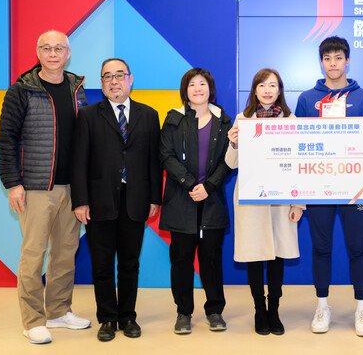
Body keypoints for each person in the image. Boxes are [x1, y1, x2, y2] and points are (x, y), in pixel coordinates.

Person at [0, 30, 90, 344]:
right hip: (36, 186)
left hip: (71, 187)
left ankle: (58, 311)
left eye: (59, 48)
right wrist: (13, 183)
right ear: (38, 52)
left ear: (67, 53)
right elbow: (7, 139)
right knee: (34, 254)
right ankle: (33, 319)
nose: (53, 53)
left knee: (66, 253)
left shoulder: (77, 88)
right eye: (47, 48)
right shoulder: (21, 90)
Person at [70, 58, 162, 341]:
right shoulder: (88, 116)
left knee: (130, 263)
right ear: (102, 82)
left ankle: (128, 317)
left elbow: (154, 161)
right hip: (98, 200)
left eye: (119, 75)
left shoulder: (148, 114)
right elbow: (79, 161)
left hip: (136, 199)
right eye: (107, 76)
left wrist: (154, 198)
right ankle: (107, 318)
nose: (113, 81)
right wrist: (80, 200)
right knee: (102, 263)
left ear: (130, 79)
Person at [295, 36, 363, 337]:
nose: (333, 64)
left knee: (357, 247)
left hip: (355, 187)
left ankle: (361, 308)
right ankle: (322, 304)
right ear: (321, 62)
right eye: (327, 58)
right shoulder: (306, 99)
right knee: (321, 247)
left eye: (338, 58)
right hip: (318, 186)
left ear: (347, 60)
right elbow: (297, 144)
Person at [225, 69, 305, 336]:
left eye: (273, 85)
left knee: (277, 256)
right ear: (255, 90)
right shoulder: (242, 119)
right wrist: (234, 144)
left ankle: (274, 310)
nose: (268, 90)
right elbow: (230, 164)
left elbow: (299, 165)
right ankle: (260, 310)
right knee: (255, 256)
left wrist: (298, 204)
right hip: (251, 200)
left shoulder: (291, 120)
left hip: (282, 199)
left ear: (280, 90)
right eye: (262, 85)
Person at [159, 68, 232, 334]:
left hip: (211, 199)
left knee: (211, 258)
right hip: (182, 198)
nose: (198, 88)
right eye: (192, 84)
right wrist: (191, 184)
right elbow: (165, 155)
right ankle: (183, 312)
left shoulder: (224, 120)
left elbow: (229, 160)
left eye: (203, 84)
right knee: (181, 259)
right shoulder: (174, 119)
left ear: (210, 88)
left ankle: (214, 311)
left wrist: (209, 186)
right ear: (185, 90)